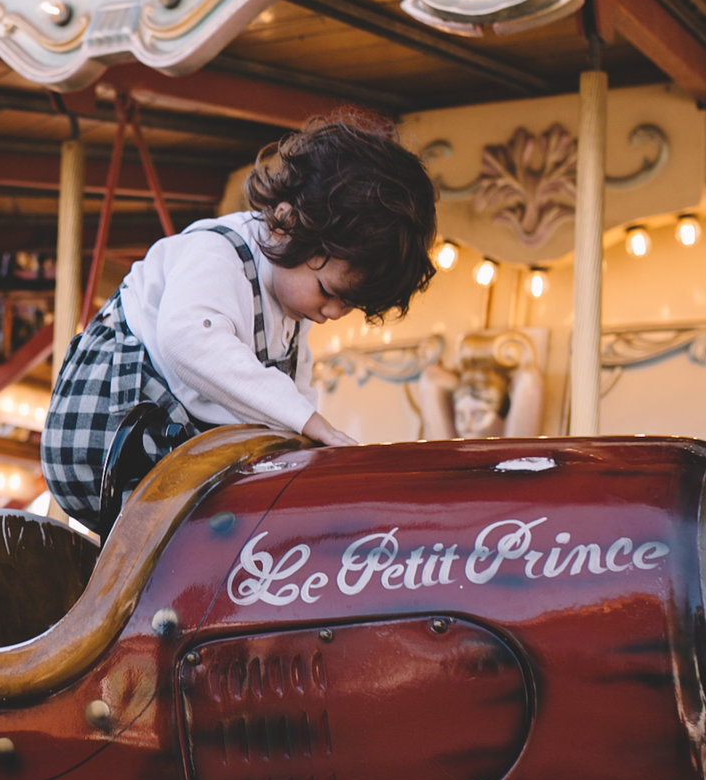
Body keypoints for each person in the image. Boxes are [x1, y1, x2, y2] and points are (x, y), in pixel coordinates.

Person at [41, 110, 438, 532]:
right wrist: (310, 423)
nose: (334, 313)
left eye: (350, 305)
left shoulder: (291, 313)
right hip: (107, 428)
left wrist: (310, 447)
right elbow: (185, 339)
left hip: (168, 457)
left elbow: (296, 395)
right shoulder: (219, 252)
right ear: (286, 224)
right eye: (328, 291)